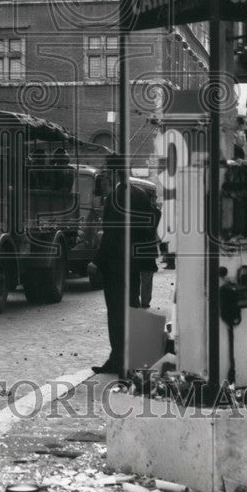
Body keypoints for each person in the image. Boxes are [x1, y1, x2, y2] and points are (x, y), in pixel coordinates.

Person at [89, 156, 157, 374]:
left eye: (107, 172)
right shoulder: (139, 195)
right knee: (131, 309)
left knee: (116, 314)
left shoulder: (115, 197)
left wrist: (96, 261)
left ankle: (118, 359)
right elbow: (150, 227)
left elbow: (111, 235)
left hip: (116, 266)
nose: (105, 176)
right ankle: (133, 360)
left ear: (114, 173)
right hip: (133, 266)